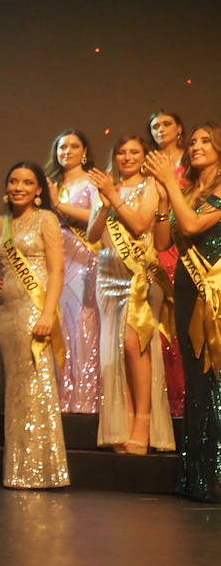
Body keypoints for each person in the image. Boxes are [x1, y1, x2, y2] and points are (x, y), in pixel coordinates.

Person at [0, 162, 69, 489]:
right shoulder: (1, 224)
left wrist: (48, 314)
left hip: (35, 308)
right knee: (17, 388)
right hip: (8, 313)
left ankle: (43, 470)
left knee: (37, 384)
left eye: (27, 182)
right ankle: (19, 470)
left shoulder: (47, 220)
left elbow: (56, 271)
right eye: (14, 181)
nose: (19, 187)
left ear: (39, 190)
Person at [147, 126, 221, 502]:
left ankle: (217, 476)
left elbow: (192, 225)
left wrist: (169, 185)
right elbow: (163, 241)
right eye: (192, 141)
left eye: (205, 140)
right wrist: (163, 198)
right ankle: (199, 477)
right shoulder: (189, 191)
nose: (195, 146)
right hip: (188, 291)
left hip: (216, 293)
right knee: (197, 380)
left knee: (215, 379)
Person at [86, 136, 173, 454]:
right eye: (121, 152)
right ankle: (121, 426)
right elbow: (94, 235)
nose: (127, 157)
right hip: (108, 279)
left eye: (134, 151)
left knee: (135, 345)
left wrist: (112, 196)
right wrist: (105, 205)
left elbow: (139, 226)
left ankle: (143, 423)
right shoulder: (109, 188)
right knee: (116, 355)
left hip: (140, 279)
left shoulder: (151, 187)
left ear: (144, 156)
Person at [45, 129, 101, 413]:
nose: (67, 151)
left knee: (83, 327)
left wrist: (59, 205)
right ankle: (60, 402)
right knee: (59, 328)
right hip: (55, 262)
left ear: (85, 151)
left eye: (73, 146)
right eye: (62, 147)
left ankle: (86, 403)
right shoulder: (48, 183)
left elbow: (98, 215)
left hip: (83, 261)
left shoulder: (93, 181)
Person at [148, 110, 188, 416]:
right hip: (157, 247)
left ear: (179, 129)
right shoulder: (148, 165)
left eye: (166, 124)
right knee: (160, 325)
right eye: (155, 126)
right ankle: (166, 403)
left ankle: (188, 397)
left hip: (187, 247)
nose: (160, 129)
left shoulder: (192, 162)